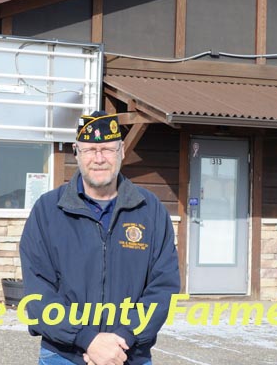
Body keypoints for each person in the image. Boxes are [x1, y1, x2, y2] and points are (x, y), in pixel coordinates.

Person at [20, 111, 180, 365]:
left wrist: (124, 337)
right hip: (63, 355)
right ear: (76, 152)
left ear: (122, 151)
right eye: (90, 150)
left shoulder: (150, 210)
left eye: (107, 149)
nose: (99, 158)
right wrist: (86, 339)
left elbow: (163, 287)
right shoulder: (48, 210)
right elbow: (38, 290)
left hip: (128, 353)